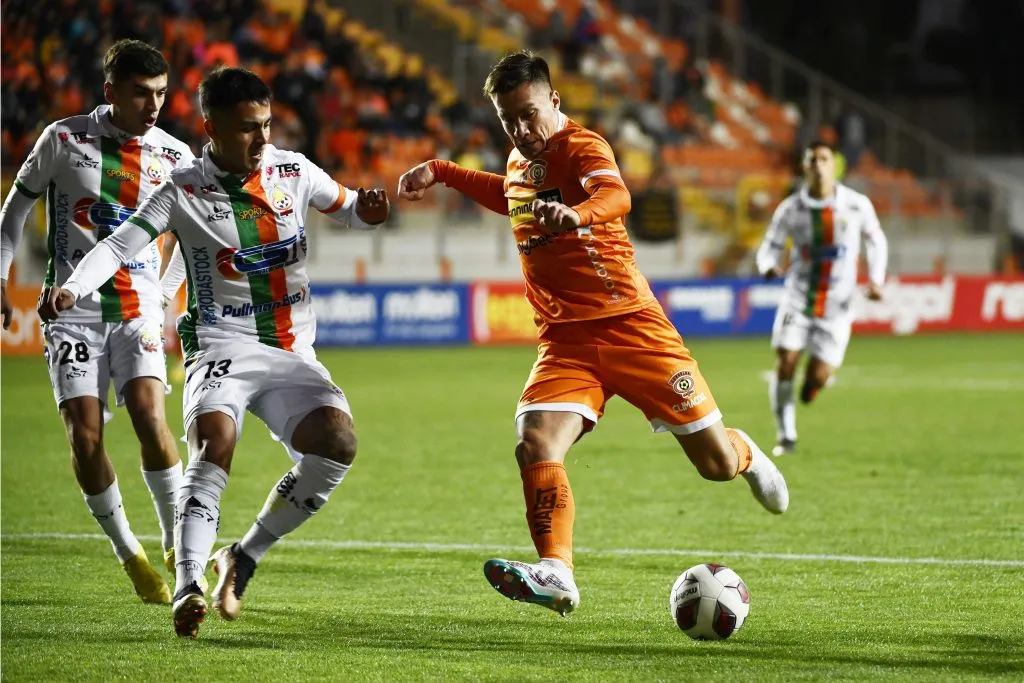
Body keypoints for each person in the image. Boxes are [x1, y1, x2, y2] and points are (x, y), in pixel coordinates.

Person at [397, 51, 788, 617]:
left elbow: (618, 197)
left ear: (554, 101)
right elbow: (508, 195)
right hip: (565, 341)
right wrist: (442, 171)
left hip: (634, 329)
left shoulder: (584, 147)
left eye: (530, 114)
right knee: (534, 442)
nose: (522, 130)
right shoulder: (518, 160)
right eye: (510, 120)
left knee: (715, 466)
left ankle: (746, 452)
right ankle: (556, 571)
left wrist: (579, 216)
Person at [37, 67, 390, 638]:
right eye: (248, 129)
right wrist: (73, 288)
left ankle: (244, 555)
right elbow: (117, 244)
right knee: (214, 447)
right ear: (212, 128)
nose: (261, 139)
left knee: (337, 445)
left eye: (267, 126)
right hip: (219, 345)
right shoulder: (181, 188)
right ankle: (189, 585)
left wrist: (370, 210)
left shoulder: (293, 170)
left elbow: (350, 207)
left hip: (289, 350)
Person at [0, 39, 194, 605]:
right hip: (71, 315)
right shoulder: (62, 139)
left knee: (150, 418)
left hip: (137, 312)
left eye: (161, 93)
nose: (153, 105)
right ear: (111, 91)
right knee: (86, 438)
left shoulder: (176, 156)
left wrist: (163, 295)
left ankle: (175, 540)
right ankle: (129, 552)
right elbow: (14, 212)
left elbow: (189, 239)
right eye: (141, 94)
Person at [756, 141, 888, 456]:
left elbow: (876, 241)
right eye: (812, 159)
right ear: (804, 167)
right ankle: (786, 437)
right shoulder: (790, 209)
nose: (818, 165)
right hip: (798, 299)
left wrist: (877, 279)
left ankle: (814, 385)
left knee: (817, 376)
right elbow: (770, 245)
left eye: (824, 159)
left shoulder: (856, 205)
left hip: (838, 306)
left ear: (834, 166)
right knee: (785, 361)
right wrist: (767, 266)